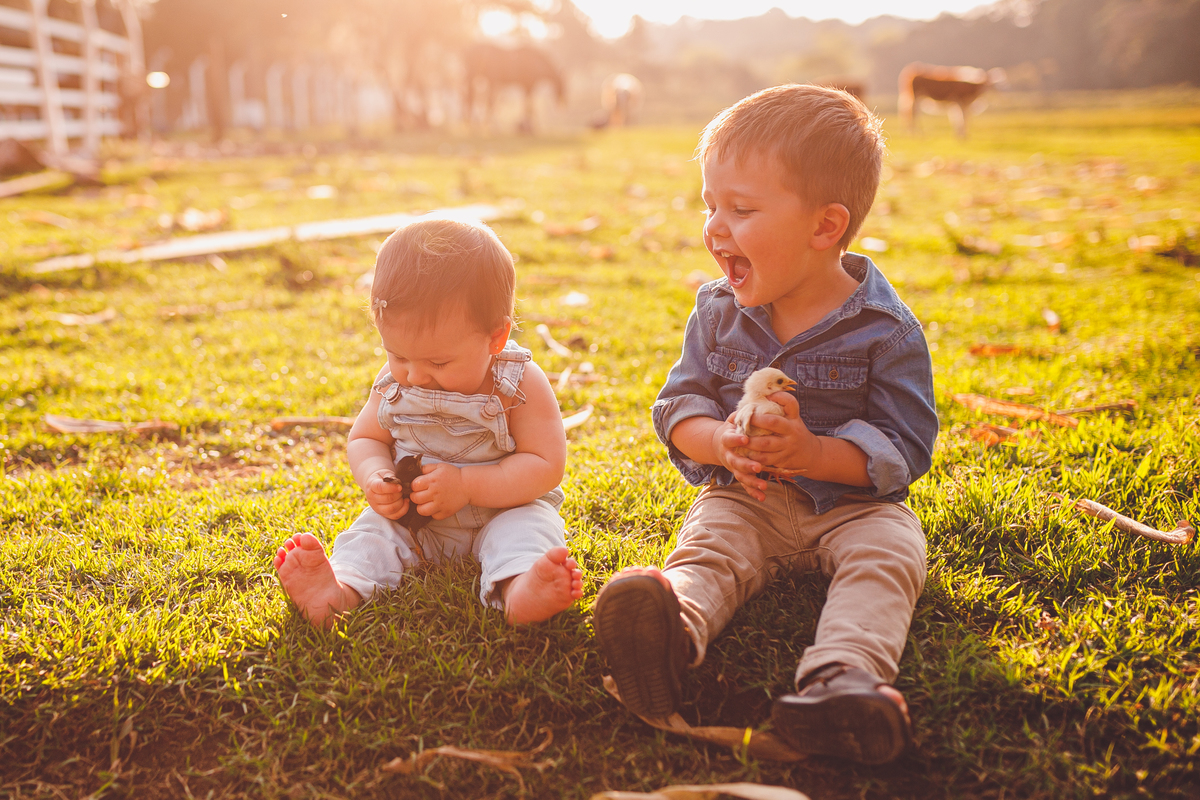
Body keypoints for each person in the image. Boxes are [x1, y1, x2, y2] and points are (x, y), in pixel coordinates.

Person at [594, 84, 938, 765]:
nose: (715, 228)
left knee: (889, 557)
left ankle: (842, 680)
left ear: (823, 227)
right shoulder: (717, 312)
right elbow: (679, 408)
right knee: (707, 551)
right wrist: (720, 440)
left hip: (854, 507)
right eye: (710, 205)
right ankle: (669, 634)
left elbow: (905, 449)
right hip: (743, 499)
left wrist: (814, 453)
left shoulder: (885, 329)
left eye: (741, 209)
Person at [274, 218, 583, 628]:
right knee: (374, 535)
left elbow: (546, 465)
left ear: (495, 337)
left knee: (528, 532)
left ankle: (521, 590)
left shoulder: (517, 383)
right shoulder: (393, 386)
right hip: (418, 522)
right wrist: (376, 476)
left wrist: (468, 485)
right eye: (398, 356)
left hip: (503, 510)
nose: (415, 376)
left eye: (438, 362)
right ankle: (339, 591)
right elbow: (365, 438)